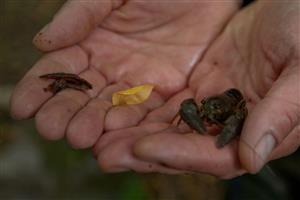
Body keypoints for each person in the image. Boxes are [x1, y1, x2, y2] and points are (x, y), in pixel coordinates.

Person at [10, 0, 299, 179]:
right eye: (205, 109)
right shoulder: (203, 106)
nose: (205, 112)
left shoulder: (233, 109)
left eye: (209, 112)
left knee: (255, 138)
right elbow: (187, 107)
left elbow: (239, 114)